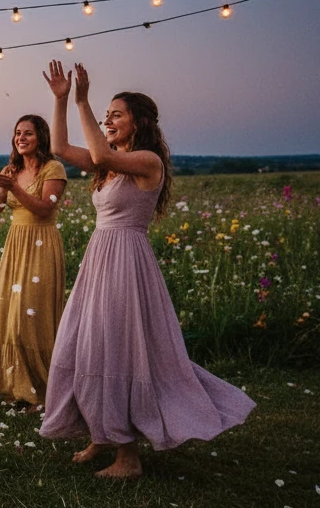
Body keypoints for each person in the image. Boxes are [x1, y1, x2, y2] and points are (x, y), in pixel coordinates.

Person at [38, 60, 255, 479]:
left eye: (115, 114)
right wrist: (61, 100)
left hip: (126, 262)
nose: (107, 120)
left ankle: (129, 457)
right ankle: (101, 432)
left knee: (117, 347)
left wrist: (83, 99)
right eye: (106, 115)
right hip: (100, 257)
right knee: (88, 342)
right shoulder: (112, 163)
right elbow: (61, 150)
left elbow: (98, 150)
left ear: (138, 122)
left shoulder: (147, 161)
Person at [0, 115, 67, 408]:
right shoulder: (12, 169)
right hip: (16, 244)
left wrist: (14, 187)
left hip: (41, 243)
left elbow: (45, 210)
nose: (21, 138)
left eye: (28, 133)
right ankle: (15, 381)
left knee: (33, 313)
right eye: (17, 133)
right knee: (11, 313)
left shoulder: (53, 168)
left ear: (41, 138)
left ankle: (40, 385)